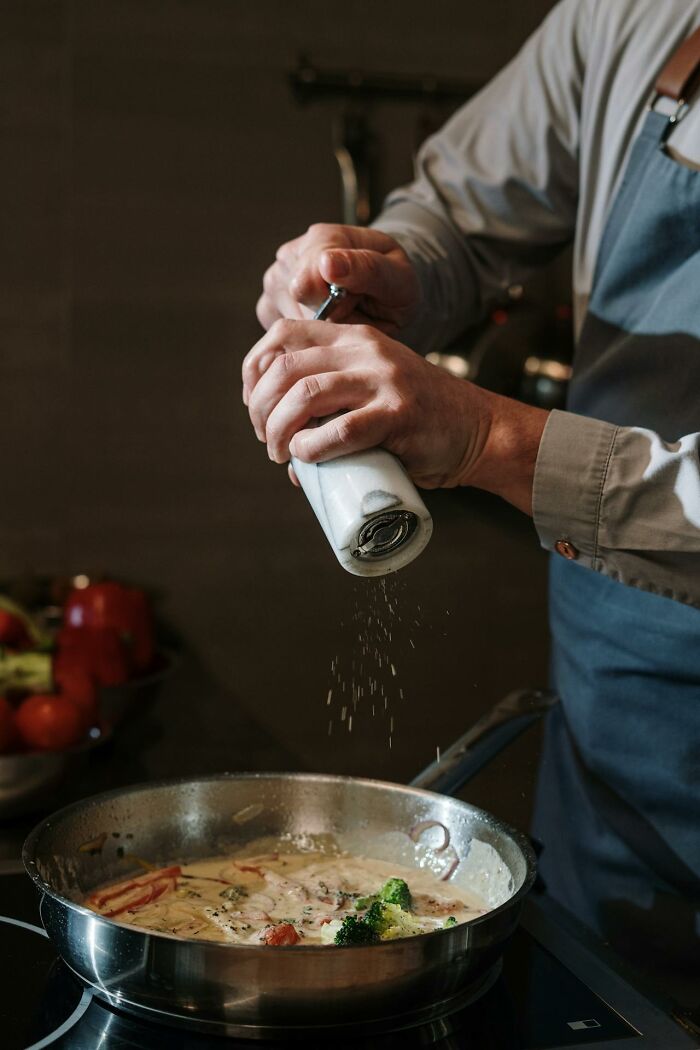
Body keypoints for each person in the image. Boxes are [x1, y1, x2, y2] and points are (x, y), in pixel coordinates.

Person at [243, 0, 700, 1006]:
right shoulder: (634, 13)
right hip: (612, 734)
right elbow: (455, 209)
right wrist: (391, 267)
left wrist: (489, 438)